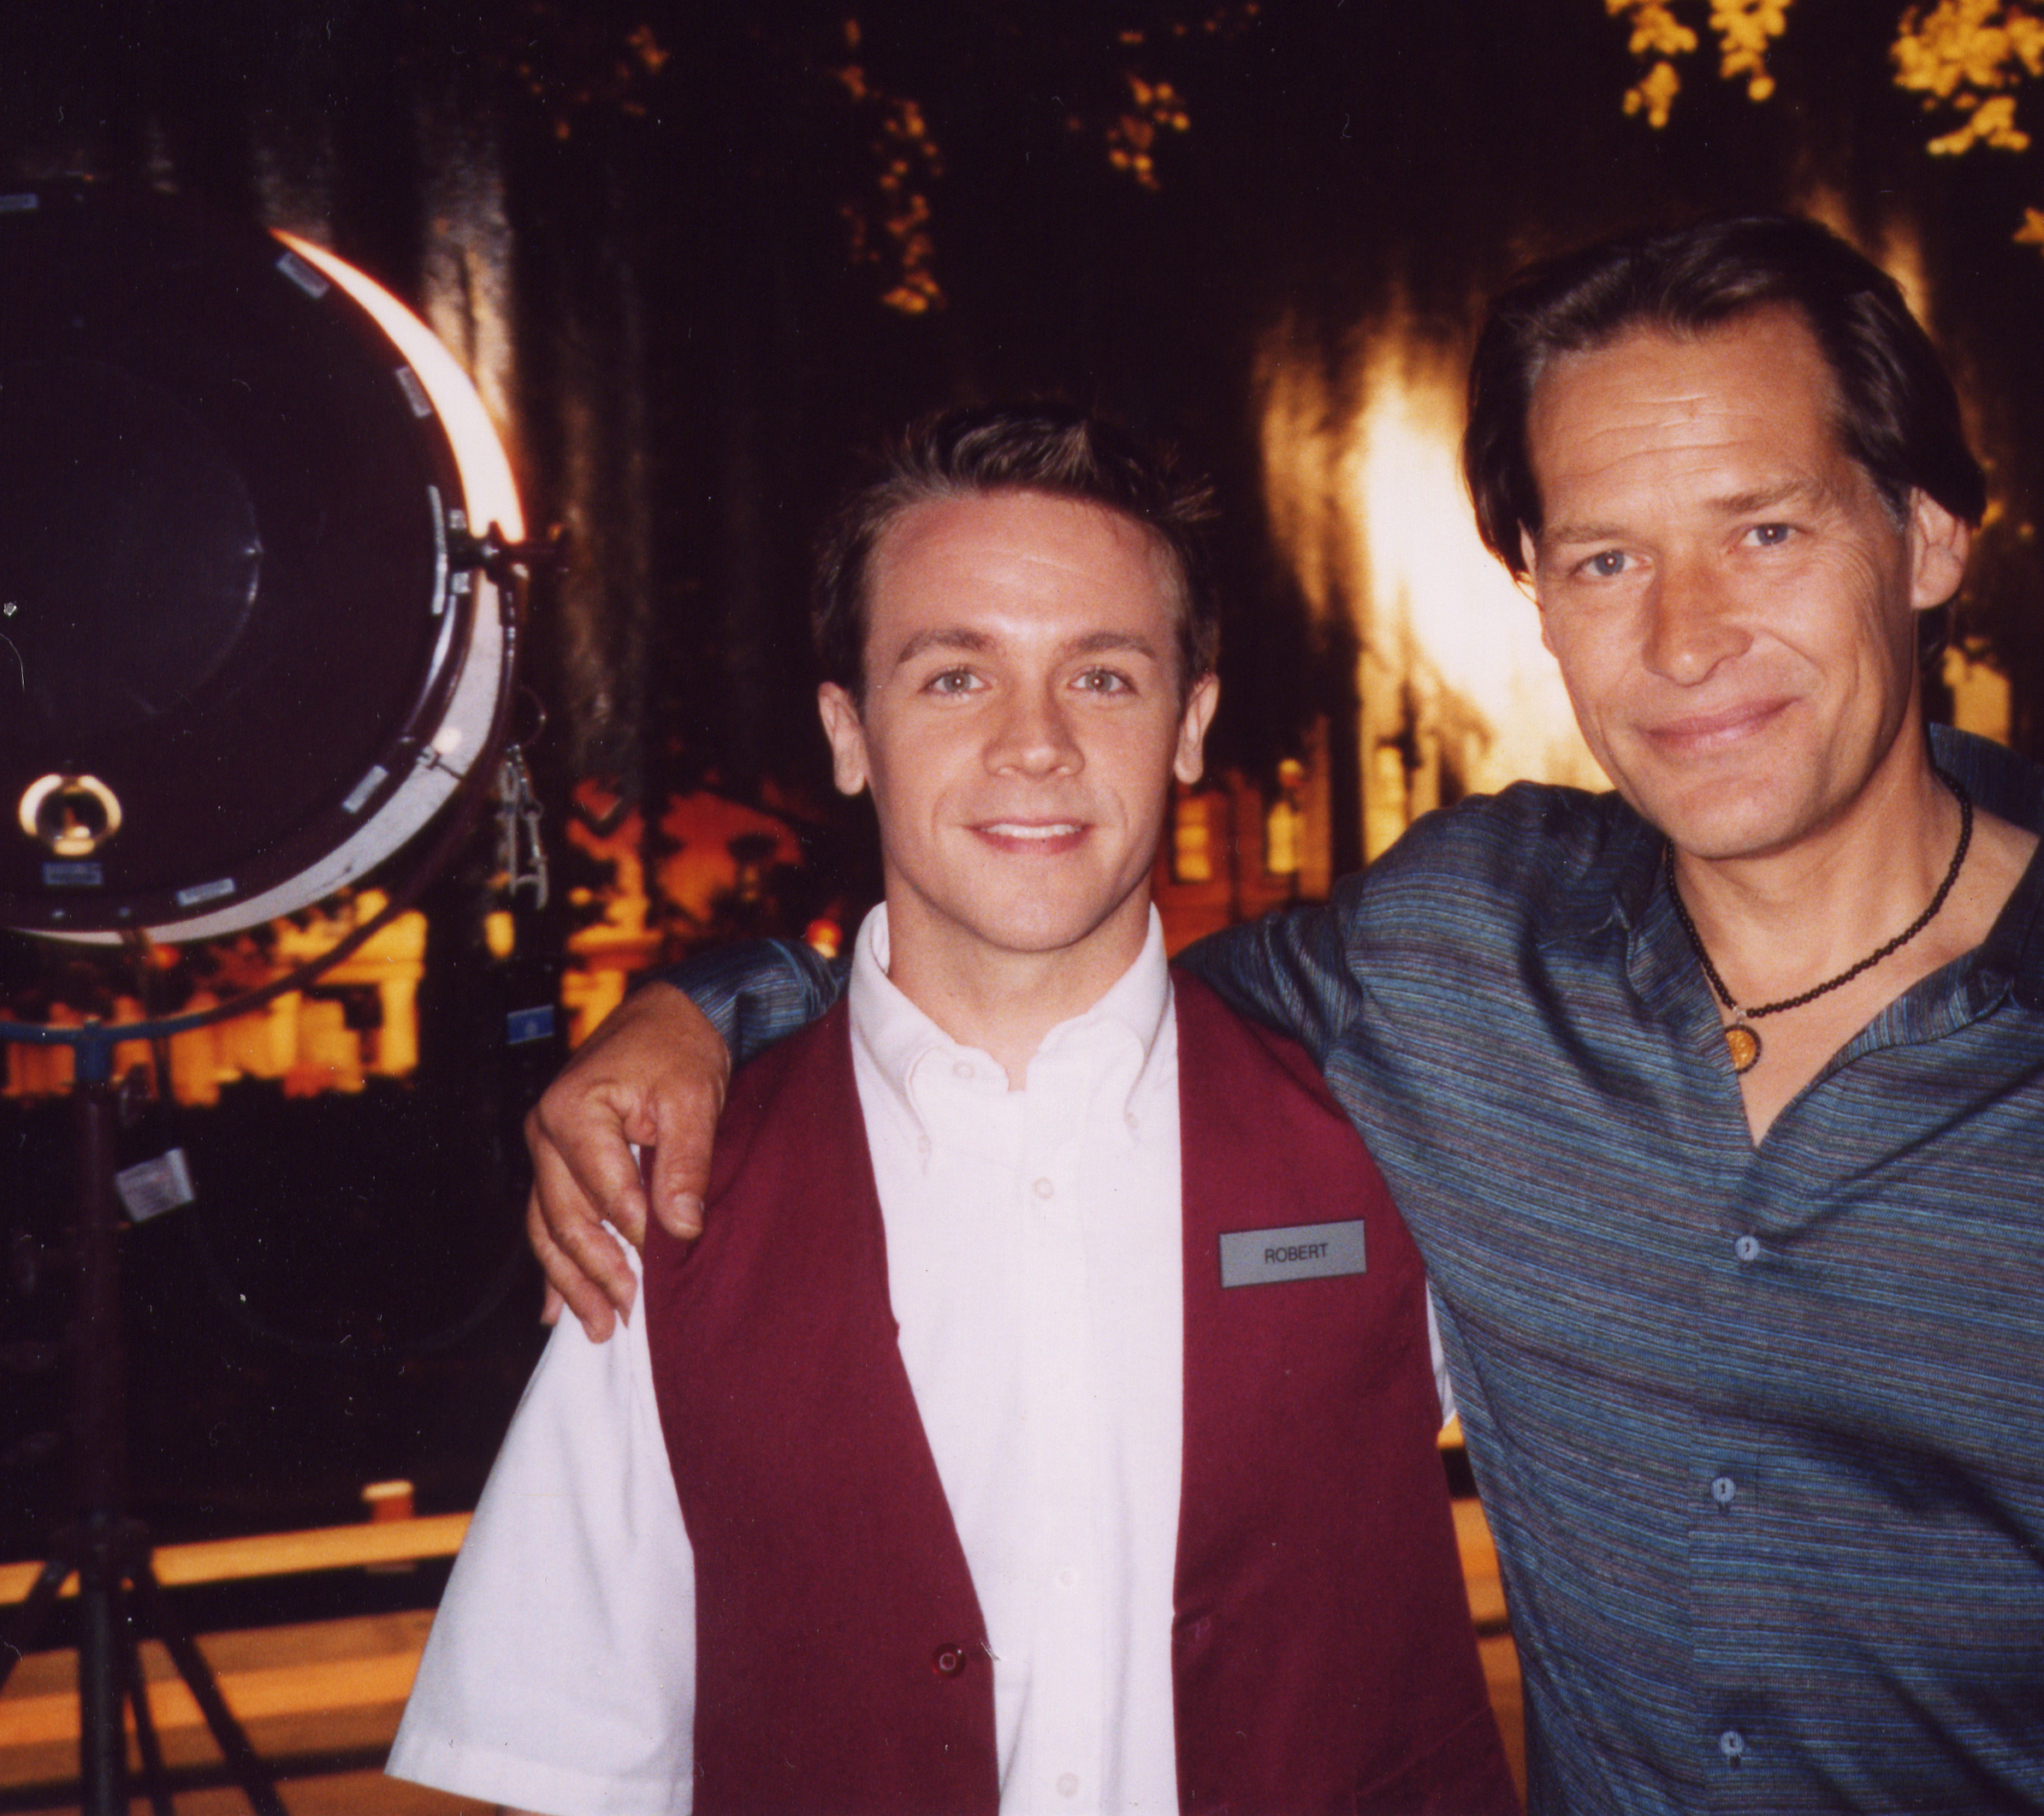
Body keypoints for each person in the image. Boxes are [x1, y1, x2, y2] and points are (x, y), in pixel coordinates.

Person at [530, 216, 2044, 1813]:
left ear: (1928, 539)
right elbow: (1034, 977)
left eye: (1763, 529)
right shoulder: (1455, 962)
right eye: (1604, 557)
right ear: (1536, 594)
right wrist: (715, 1003)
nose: (1685, 639)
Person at [389, 406, 1517, 1816]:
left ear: (1191, 723)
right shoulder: (665, 1195)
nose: (1034, 743)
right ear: (848, 731)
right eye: (954, 678)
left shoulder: (1398, 1140)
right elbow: (564, 1759)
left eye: (1102, 677)